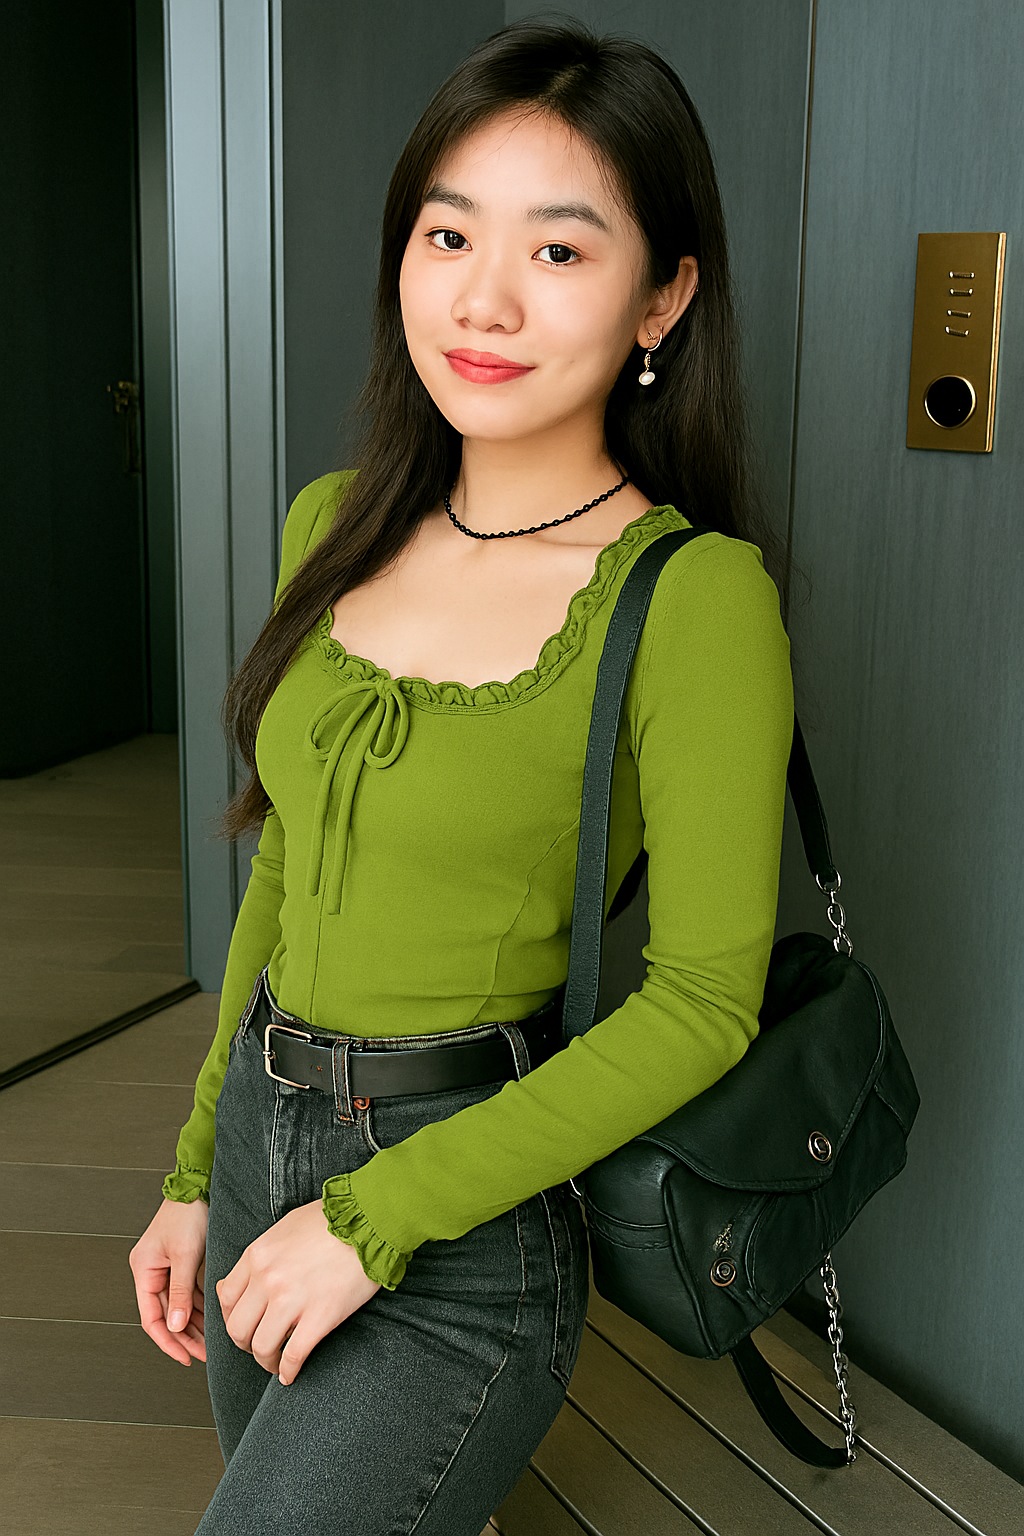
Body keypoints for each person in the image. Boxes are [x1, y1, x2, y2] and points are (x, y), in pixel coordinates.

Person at [129, 18, 793, 1535]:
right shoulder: (331, 524)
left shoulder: (693, 601)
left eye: (558, 251)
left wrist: (374, 1220)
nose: (483, 300)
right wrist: (195, 1170)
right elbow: (286, 868)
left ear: (664, 297)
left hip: (461, 1210)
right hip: (264, 1149)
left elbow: (704, 1003)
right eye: (448, 235)